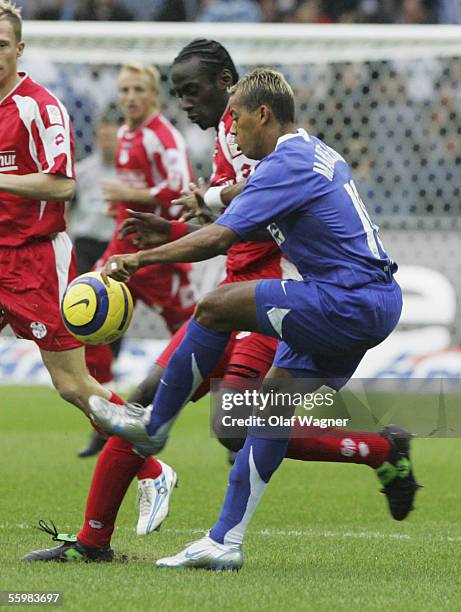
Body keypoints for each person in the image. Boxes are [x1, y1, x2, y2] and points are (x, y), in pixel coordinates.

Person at [91, 67, 419, 570]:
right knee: (266, 415)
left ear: (263, 114)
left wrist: (140, 259)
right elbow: (247, 220)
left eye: (237, 119)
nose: (234, 131)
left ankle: (153, 428)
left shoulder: (287, 161)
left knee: (214, 308)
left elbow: (222, 238)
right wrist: (182, 222)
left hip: (345, 299)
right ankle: (226, 541)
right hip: (365, 302)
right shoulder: (310, 152)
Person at [0, 0, 174, 565]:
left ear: (19, 50)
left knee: (74, 386)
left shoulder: (39, 107)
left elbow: (61, 186)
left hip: (32, 259)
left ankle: (152, 468)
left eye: (2, 43)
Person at [84, 62, 197, 385]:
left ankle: (232, 384)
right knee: (89, 308)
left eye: (139, 90)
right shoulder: (124, 133)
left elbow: (181, 189)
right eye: (125, 90)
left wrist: (129, 193)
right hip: (122, 247)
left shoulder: (163, 137)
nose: (131, 97)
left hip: (157, 253)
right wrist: (120, 203)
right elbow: (139, 188)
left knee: (193, 328)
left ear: (154, 95)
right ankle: (103, 396)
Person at [68, 106, 119, 458]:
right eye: (100, 133)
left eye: (111, 133)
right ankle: (105, 429)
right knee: (95, 341)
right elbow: (66, 210)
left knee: (186, 320)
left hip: (125, 251)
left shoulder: (133, 171)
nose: (105, 139)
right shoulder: (83, 172)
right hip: (87, 253)